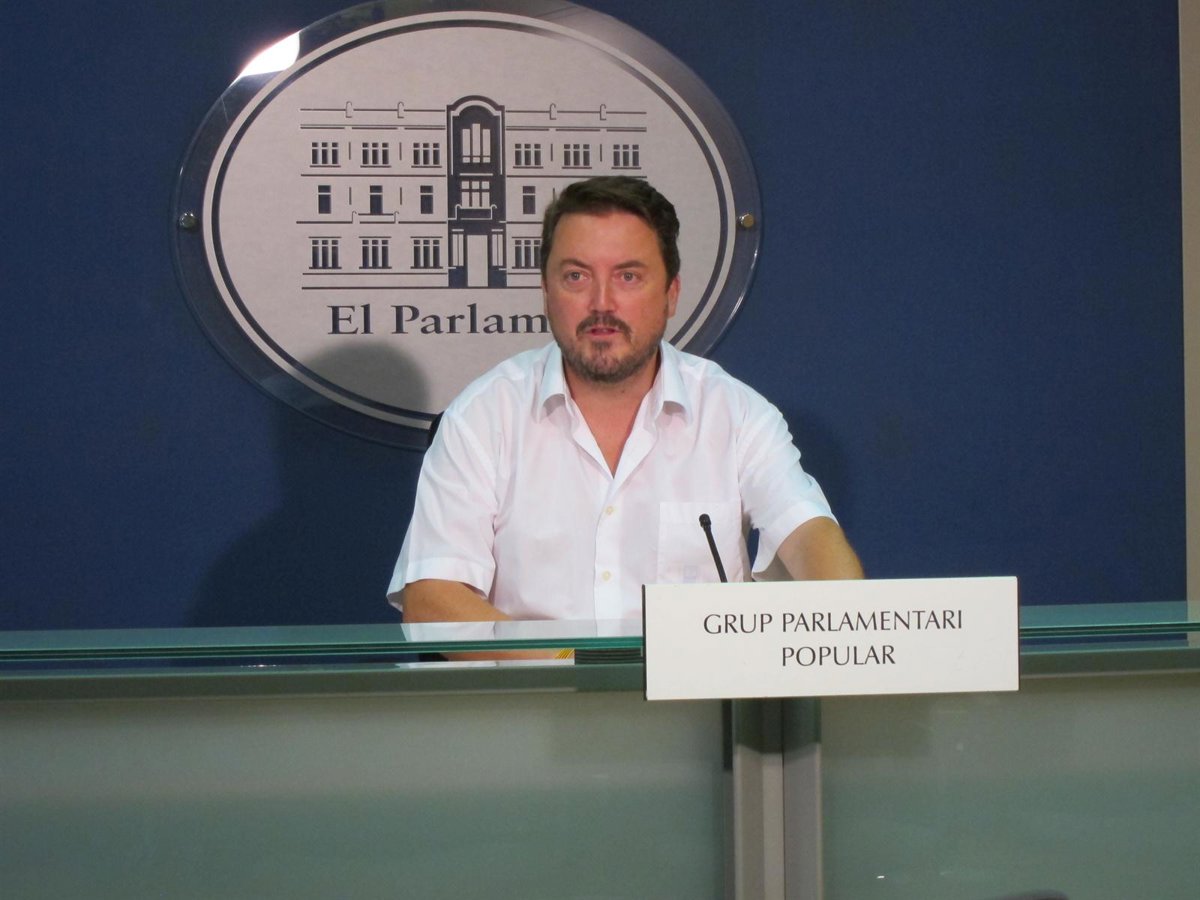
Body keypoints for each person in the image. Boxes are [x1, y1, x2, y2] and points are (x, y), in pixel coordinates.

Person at [389, 176, 862, 624]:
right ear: (546, 292)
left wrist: (846, 620)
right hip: (533, 683)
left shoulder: (736, 415)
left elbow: (809, 537)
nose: (602, 303)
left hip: (694, 686)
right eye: (576, 276)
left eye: (628, 277)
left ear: (671, 294)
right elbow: (432, 598)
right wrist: (566, 666)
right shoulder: (483, 416)